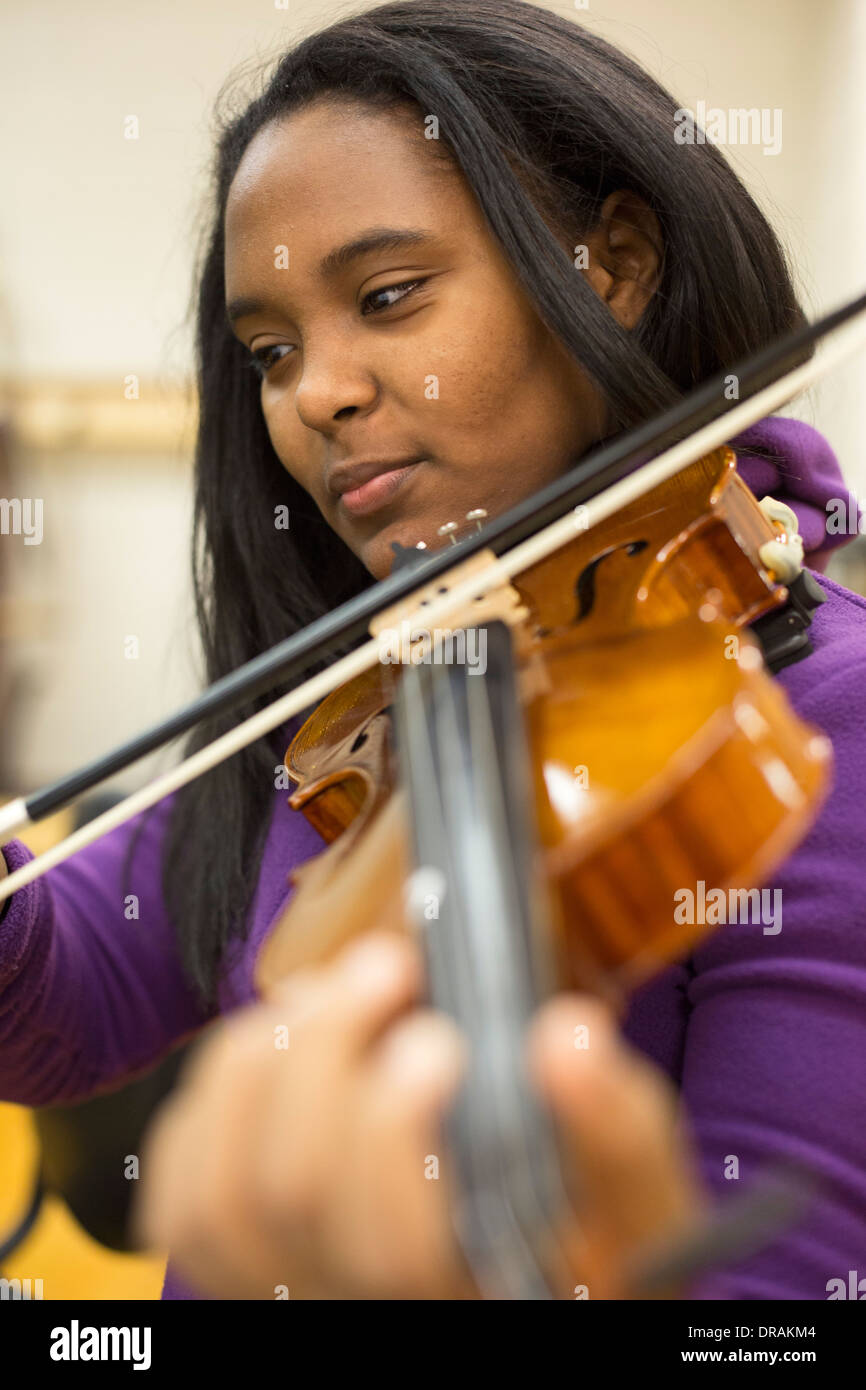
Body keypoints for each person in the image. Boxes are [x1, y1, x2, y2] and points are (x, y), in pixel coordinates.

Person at [2, 0, 865, 1300]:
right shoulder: (356, 692)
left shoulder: (813, 709)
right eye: (271, 352)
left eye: (388, 297)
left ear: (612, 265)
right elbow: (68, 1000)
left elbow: (777, 1301)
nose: (313, 394)